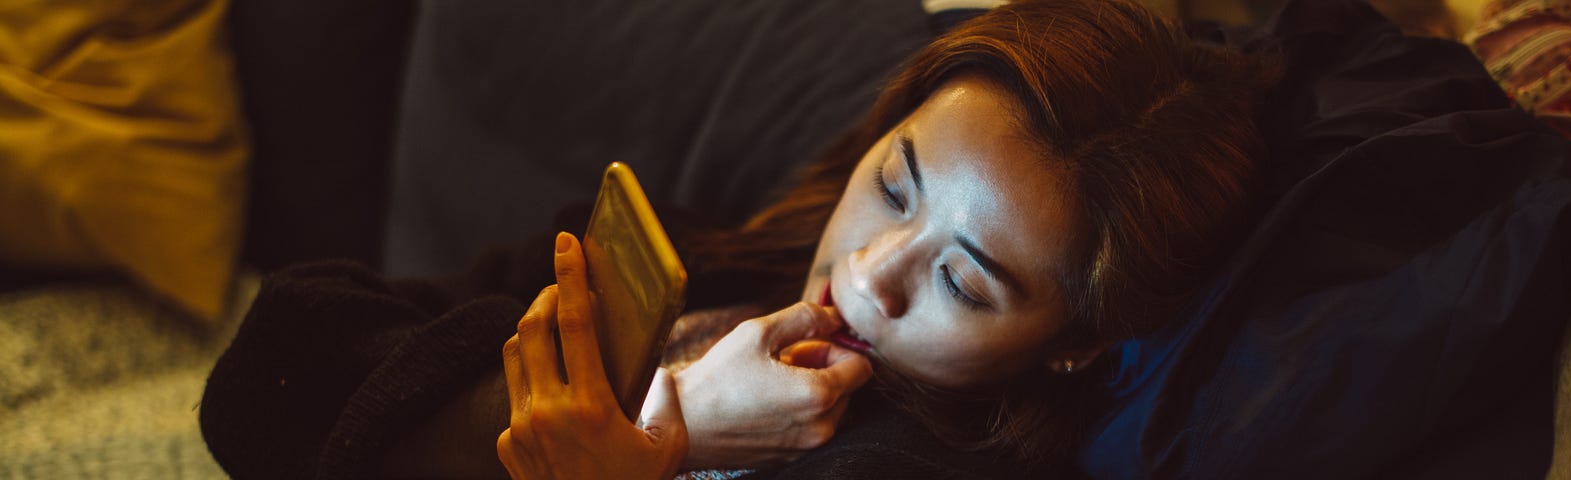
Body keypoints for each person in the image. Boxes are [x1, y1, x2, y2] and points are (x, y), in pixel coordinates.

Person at [199, 0, 1278, 478]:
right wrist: (622, 403)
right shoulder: (709, 265)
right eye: (895, 185)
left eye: (963, 279)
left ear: (1070, 344)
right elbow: (265, 380)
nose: (867, 274)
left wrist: (650, 460)